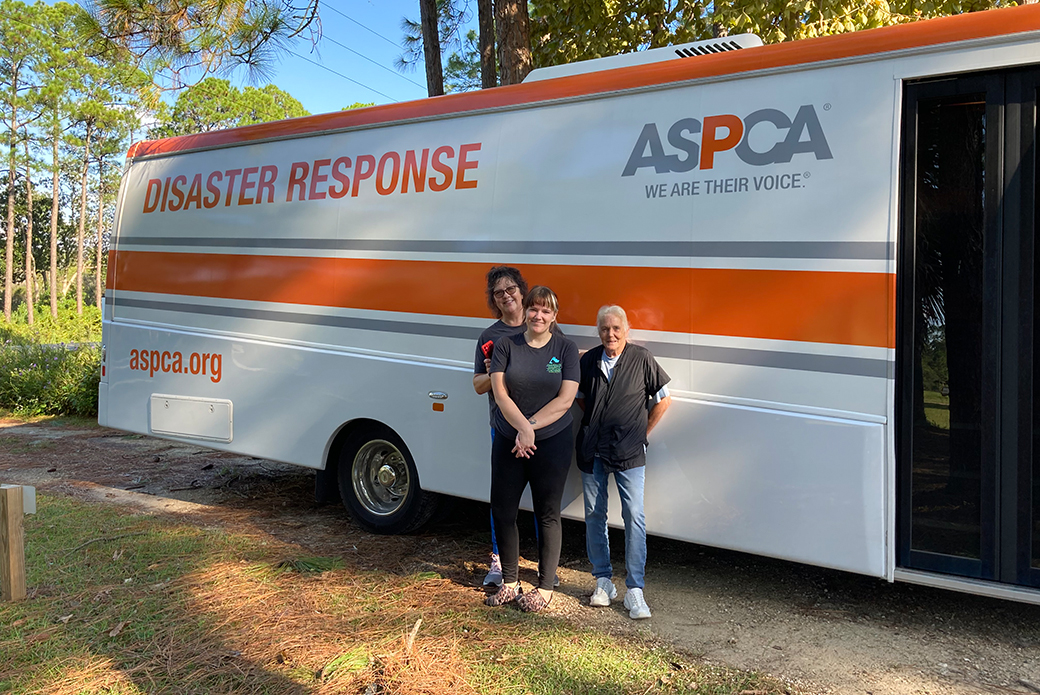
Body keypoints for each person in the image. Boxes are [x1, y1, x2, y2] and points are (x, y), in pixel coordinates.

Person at [485, 286, 579, 612]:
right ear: (526, 311)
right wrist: (523, 429)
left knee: (547, 513)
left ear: (554, 316)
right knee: (503, 509)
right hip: (510, 439)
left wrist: (531, 428)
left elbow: (565, 400)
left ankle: (545, 588)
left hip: (552, 441)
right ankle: (510, 583)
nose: (539, 316)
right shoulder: (505, 345)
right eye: (534, 309)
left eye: (546, 311)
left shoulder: (564, 349)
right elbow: (499, 393)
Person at [576, 305, 671, 619]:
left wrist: (642, 433)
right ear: (599, 331)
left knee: (634, 515)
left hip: (630, 452)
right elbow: (579, 399)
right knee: (594, 514)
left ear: (626, 330)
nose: (610, 334)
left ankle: (635, 590)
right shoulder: (588, 361)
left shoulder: (641, 359)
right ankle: (603, 581)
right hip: (594, 450)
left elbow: (664, 399)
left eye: (616, 328)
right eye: (604, 329)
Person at [473, 266, 528, 587]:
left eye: (511, 289)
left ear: (521, 291)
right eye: (499, 292)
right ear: (494, 300)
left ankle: (542, 561)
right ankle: (498, 560)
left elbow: (559, 365)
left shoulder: (541, 325)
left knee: (540, 497)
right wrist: (493, 374)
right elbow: (478, 385)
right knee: (503, 497)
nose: (506, 295)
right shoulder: (489, 336)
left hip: (539, 427)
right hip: (504, 427)